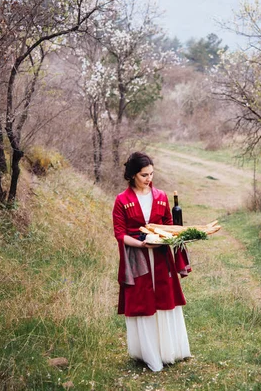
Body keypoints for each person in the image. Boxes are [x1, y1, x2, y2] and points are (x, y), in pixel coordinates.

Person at [112, 151, 192, 371]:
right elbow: (119, 233)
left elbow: (168, 222)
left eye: (151, 174)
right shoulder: (122, 200)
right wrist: (141, 244)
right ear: (132, 175)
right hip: (137, 258)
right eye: (144, 174)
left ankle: (169, 350)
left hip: (161, 256)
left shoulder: (160, 196)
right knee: (143, 301)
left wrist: (169, 237)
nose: (149, 178)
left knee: (165, 298)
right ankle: (148, 353)